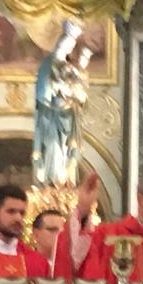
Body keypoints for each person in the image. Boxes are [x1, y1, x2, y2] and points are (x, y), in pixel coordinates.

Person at [33, 20, 83, 187]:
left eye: (72, 45)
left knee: (68, 149)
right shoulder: (49, 65)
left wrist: (73, 94)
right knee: (54, 148)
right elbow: (44, 92)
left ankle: (61, 181)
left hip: (67, 114)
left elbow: (78, 89)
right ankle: (52, 182)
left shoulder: (67, 67)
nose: (70, 48)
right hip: (52, 115)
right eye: (68, 44)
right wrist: (57, 90)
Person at [30, 209, 65, 276]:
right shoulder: (25, 264)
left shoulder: (70, 268)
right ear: (36, 234)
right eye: (53, 230)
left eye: (62, 231)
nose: (60, 235)